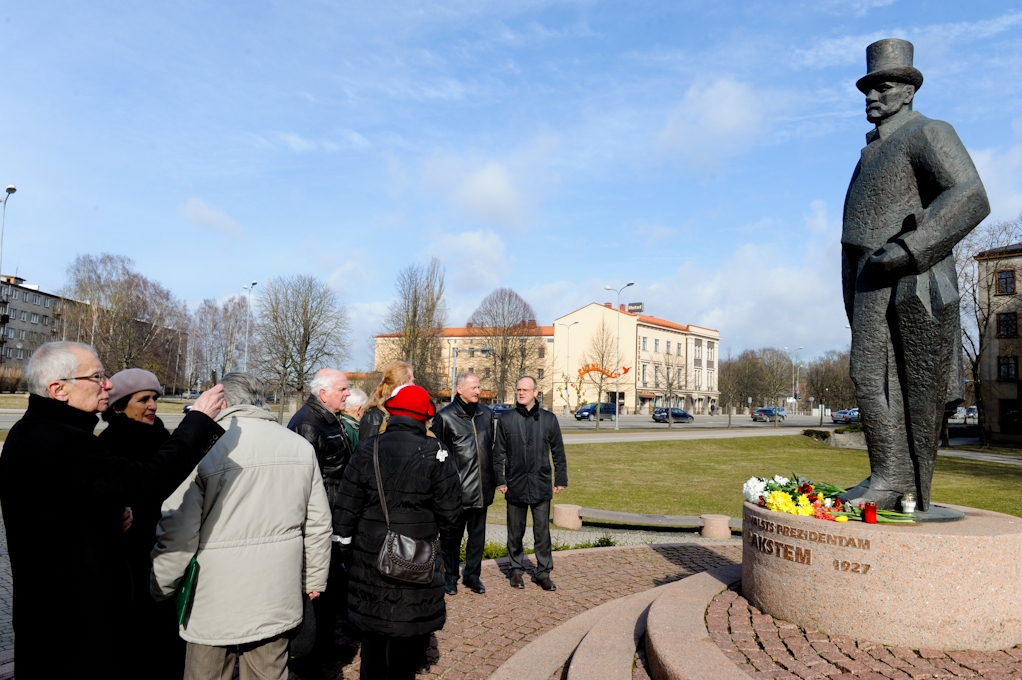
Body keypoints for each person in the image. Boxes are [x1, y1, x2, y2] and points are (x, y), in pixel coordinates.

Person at [0, 341, 226, 680]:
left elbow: (53, 514)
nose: (108, 384)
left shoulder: (33, 430)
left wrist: (103, 518)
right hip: (74, 626)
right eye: (97, 376)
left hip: (54, 617)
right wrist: (198, 421)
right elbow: (146, 481)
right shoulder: (63, 440)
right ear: (59, 389)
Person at [841, 39, 990, 511]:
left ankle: (894, 476)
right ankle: (889, 472)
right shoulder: (872, 152)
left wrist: (909, 249)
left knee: (881, 376)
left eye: (881, 87)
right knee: (871, 377)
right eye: (867, 89)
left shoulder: (927, 132)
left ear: (907, 91)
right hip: (864, 274)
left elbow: (970, 195)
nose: (871, 96)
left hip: (899, 273)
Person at [152, 373, 332, 680]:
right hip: (276, 589)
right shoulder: (299, 446)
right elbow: (318, 523)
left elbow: (178, 529)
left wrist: (161, 585)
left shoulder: (200, 447)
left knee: (205, 674)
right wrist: (313, 578)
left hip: (213, 596)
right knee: (268, 673)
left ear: (221, 400)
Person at [333, 384, 461, 680]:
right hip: (416, 557)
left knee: (372, 642)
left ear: (392, 413)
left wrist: (347, 553)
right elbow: (452, 515)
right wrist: (445, 553)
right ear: (423, 418)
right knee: (406, 643)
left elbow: (345, 510)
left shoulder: (368, 447)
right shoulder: (436, 452)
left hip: (371, 556)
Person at [96, 368, 182, 680]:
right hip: (132, 562)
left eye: (155, 398)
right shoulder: (108, 447)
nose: (153, 406)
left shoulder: (163, 439)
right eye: (143, 399)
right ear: (118, 406)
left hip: (170, 554)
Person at [287, 367, 354, 655]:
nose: (348, 393)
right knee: (316, 585)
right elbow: (303, 482)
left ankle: (325, 641)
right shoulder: (308, 423)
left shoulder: (330, 418)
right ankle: (307, 651)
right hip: (321, 516)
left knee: (331, 582)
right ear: (323, 393)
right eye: (343, 389)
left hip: (334, 511)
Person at [493, 376, 567, 591]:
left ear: (536, 392)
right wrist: (500, 480)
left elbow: (558, 452)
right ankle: (515, 571)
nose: (521, 393)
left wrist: (561, 479)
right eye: (518, 390)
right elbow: (498, 453)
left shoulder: (549, 419)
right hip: (514, 484)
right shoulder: (506, 420)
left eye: (526, 390)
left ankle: (543, 573)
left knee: (542, 532)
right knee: (514, 532)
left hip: (541, 483)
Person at [432, 372, 495, 596]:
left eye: (479, 387)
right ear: (459, 389)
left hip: (481, 489)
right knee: (452, 539)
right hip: (456, 492)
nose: (478, 391)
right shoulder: (445, 417)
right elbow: (438, 456)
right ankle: (450, 577)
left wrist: (495, 479)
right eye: (473, 387)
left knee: (477, 539)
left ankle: (473, 577)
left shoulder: (486, 414)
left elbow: (492, 450)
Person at [359, 361, 413, 441]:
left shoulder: (400, 411)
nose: (414, 385)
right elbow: (366, 450)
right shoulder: (374, 417)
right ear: (402, 383)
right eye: (412, 381)